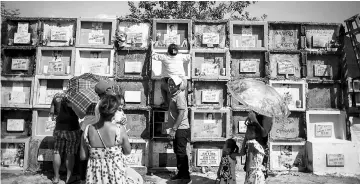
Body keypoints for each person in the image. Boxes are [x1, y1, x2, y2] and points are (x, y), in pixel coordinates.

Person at [79, 95, 132, 184]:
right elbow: (127, 151)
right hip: (116, 174)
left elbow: (83, 156)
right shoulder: (119, 129)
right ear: (114, 112)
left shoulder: (87, 130)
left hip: (94, 176)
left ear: (99, 110)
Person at [231, 111, 273, 184]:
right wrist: (243, 146)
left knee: (258, 174)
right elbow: (248, 132)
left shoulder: (267, 115)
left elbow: (264, 133)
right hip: (251, 145)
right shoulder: (255, 112)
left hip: (260, 148)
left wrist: (254, 119)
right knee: (251, 174)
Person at [51, 93, 81, 184]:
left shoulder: (56, 96)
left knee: (57, 152)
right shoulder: (76, 97)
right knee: (70, 153)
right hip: (72, 129)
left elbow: (53, 112)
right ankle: (68, 178)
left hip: (59, 129)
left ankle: (56, 177)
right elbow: (80, 114)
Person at [167, 76, 191, 183]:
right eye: (169, 84)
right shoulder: (174, 95)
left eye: (173, 84)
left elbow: (181, 114)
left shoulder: (180, 96)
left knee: (181, 152)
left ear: (178, 85)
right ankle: (180, 173)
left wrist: (174, 129)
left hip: (181, 128)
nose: (171, 86)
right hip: (177, 128)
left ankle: (185, 177)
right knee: (177, 151)